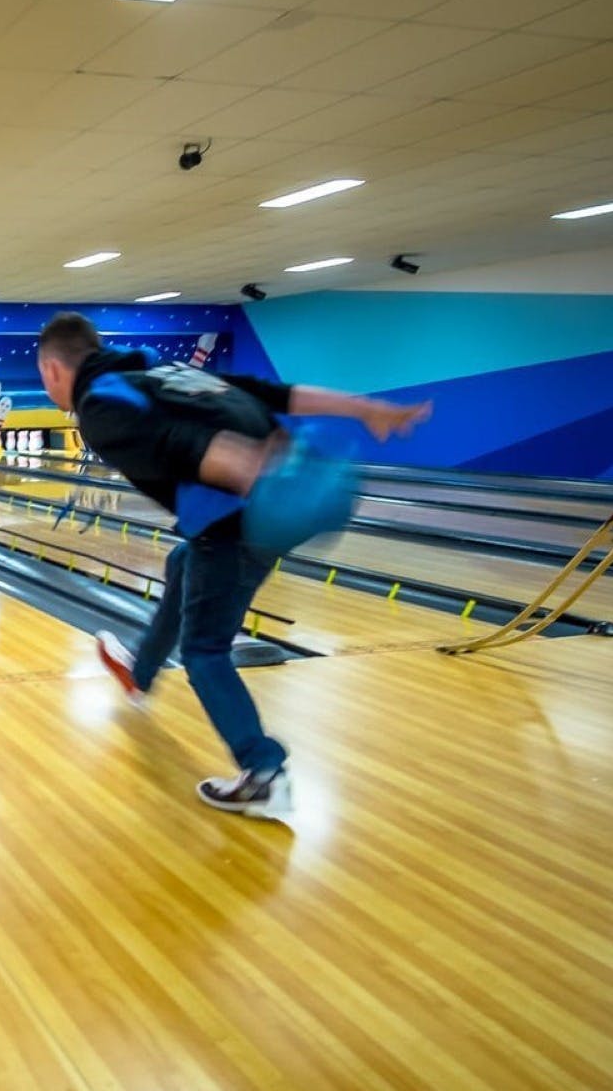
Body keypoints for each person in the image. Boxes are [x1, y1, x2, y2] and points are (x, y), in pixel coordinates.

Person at [36, 312, 429, 817]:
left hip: (234, 524)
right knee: (183, 562)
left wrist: (248, 470)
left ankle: (263, 772)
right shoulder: (162, 371)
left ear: (52, 371)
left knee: (204, 652)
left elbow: (190, 448)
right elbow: (271, 394)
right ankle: (143, 671)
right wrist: (365, 409)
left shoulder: (100, 408)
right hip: (267, 511)